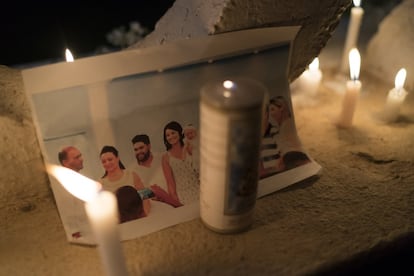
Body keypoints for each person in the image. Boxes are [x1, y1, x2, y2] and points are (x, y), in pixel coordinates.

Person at [99, 145, 150, 214]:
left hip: (137, 215)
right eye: (104, 161)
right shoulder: (101, 183)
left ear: (117, 158)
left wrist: (144, 214)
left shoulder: (132, 175)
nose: (107, 163)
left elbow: (145, 196)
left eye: (110, 159)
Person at [161, 121, 199, 205]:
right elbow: (170, 183)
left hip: (199, 189)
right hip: (183, 196)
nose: (171, 137)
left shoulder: (189, 147)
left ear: (179, 132)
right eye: (167, 135)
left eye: (173, 133)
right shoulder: (166, 157)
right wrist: (176, 201)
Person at [268, 96, 311, 170]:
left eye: (272, 109)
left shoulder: (287, 126)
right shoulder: (283, 126)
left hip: (294, 160)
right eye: (269, 110)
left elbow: (295, 147)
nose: (271, 114)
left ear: (281, 108)